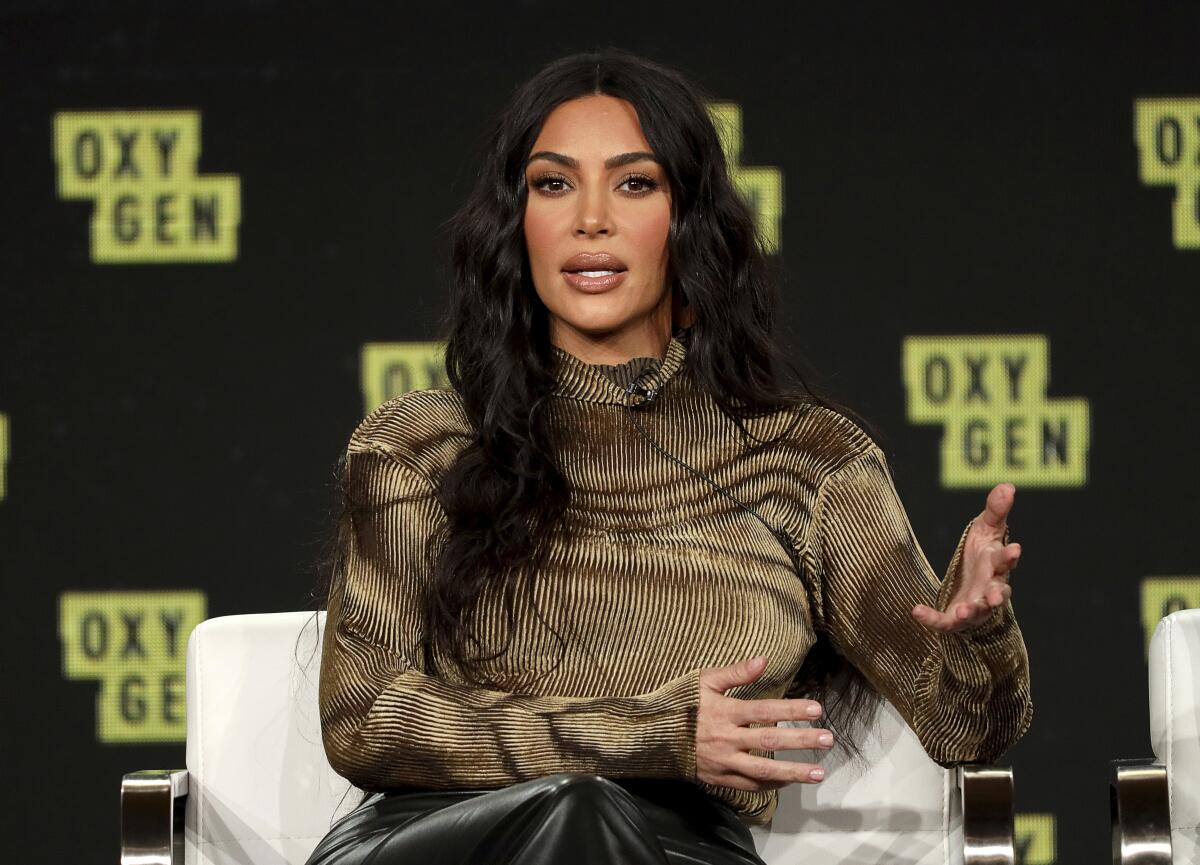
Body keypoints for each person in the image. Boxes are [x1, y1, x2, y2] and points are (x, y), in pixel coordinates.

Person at [304, 48, 1032, 865]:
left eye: (634, 182)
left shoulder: (806, 463)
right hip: (445, 838)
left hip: (677, 849)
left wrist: (979, 631)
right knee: (577, 813)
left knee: (596, 822)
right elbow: (363, 718)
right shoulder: (420, 446)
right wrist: (654, 733)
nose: (590, 219)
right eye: (553, 184)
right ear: (517, 222)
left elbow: (967, 727)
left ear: (687, 220)